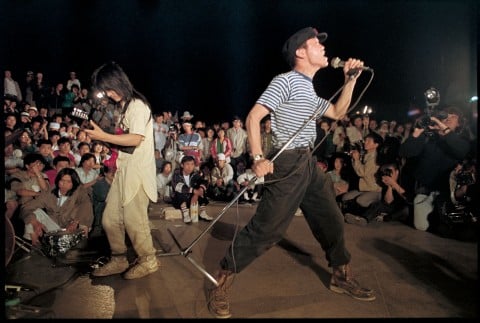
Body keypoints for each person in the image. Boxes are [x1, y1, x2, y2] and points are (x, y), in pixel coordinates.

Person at [207, 27, 375, 319]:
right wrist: (258, 157)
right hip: (285, 163)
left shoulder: (309, 88)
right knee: (267, 231)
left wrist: (350, 81)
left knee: (332, 218)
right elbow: (254, 116)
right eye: (315, 44)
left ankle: (340, 276)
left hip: (307, 162)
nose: (323, 48)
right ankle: (220, 281)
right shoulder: (285, 81)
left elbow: (337, 112)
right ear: (300, 52)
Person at [84, 61, 159, 280]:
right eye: (105, 90)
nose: (108, 93)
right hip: (123, 171)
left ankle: (149, 260)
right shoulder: (122, 107)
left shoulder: (137, 105)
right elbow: (122, 143)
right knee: (109, 219)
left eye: (109, 87)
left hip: (138, 172)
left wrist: (102, 137)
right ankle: (119, 258)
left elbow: (135, 139)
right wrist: (102, 137)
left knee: (135, 221)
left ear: (118, 81)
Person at [399, 106, 471, 231]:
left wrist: (442, 127)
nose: (448, 117)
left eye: (453, 116)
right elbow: (405, 152)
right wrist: (417, 132)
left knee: (444, 228)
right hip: (424, 189)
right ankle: (409, 211)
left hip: (445, 192)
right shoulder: (429, 137)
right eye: (446, 115)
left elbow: (461, 150)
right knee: (421, 226)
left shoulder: (461, 140)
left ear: (459, 124)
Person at [20, 168, 93, 246]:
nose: (64, 184)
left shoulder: (80, 192)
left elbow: (86, 206)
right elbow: (26, 207)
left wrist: (75, 222)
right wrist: (34, 222)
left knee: (87, 209)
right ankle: (35, 245)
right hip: (54, 229)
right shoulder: (50, 192)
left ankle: (83, 242)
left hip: (72, 229)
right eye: (62, 180)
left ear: (74, 183)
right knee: (35, 213)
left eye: (68, 181)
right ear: (58, 181)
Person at [170, 155, 213, 223]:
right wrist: (194, 191)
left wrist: (199, 191)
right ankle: (186, 214)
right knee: (180, 192)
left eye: (192, 164)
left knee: (201, 188)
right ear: (182, 165)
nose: (190, 167)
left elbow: (204, 181)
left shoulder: (195, 174)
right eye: (187, 164)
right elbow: (178, 186)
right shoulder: (177, 174)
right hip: (178, 201)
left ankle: (203, 212)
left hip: (191, 199)